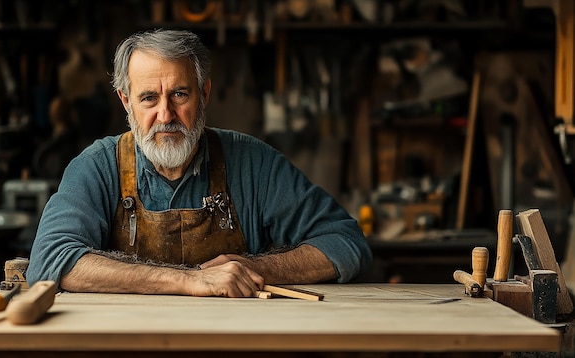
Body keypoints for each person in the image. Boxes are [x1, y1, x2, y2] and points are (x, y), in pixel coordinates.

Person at [26, 29, 372, 298]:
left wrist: (255, 268)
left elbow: (346, 244)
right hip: (127, 343)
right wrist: (191, 280)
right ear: (126, 101)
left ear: (203, 94)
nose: (166, 115)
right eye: (149, 98)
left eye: (180, 94)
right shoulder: (98, 168)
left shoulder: (254, 163)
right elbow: (50, 261)